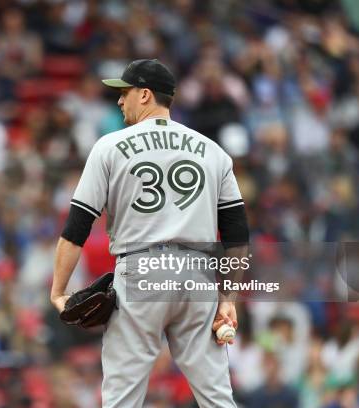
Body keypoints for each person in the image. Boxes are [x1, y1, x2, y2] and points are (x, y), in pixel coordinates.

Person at [50, 59, 249, 407]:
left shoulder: (109, 147)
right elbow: (237, 236)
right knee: (217, 398)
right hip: (197, 275)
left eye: (124, 92)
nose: (119, 100)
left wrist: (59, 290)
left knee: (122, 399)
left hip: (141, 272)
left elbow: (76, 229)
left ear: (145, 95)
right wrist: (228, 298)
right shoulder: (214, 152)